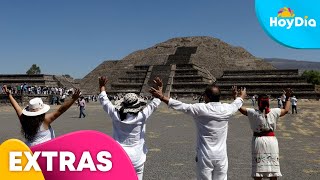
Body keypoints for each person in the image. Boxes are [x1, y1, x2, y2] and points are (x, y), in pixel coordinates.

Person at [149, 78, 247, 180]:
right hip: (221, 155)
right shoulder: (227, 109)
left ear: (207, 97)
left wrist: (161, 97)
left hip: (205, 155)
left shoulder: (201, 109)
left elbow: (181, 106)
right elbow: (237, 104)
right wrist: (241, 96)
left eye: (204, 95)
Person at [98, 76, 161, 180]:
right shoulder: (142, 116)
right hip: (137, 157)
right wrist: (160, 87)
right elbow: (155, 103)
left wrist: (102, 86)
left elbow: (104, 100)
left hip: (119, 155)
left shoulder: (116, 114)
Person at [238, 89, 292, 180]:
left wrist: (238, 97)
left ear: (258, 102)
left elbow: (239, 108)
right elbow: (286, 110)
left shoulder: (253, 112)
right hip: (271, 141)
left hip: (258, 141)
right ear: (268, 103)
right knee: (273, 169)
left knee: (258, 169)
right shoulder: (275, 112)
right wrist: (288, 97)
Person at [2, 85, 81, 146]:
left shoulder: (24, 118)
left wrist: (9, 95)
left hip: (29, 149)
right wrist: (73, 99)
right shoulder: (45, 120)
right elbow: (61, 110)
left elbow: (17, 108)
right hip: (45, 150)